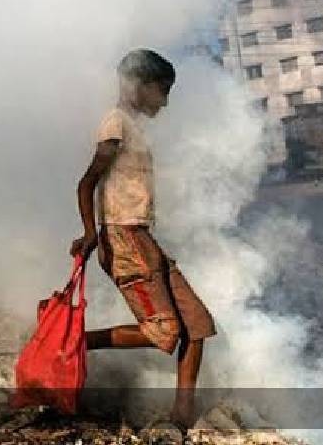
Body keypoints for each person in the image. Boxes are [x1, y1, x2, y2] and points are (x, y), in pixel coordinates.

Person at [71, 49, 216, 430]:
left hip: (141, 236)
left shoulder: (131, 128)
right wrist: (93, 235)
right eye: (161, 90)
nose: (164, 101)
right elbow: (88, 182)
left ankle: (182, 418)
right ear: (139, 84)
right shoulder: (114, 124)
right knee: (165, 332)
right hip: (125, 237)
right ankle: (76, 341)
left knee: (197, 324)